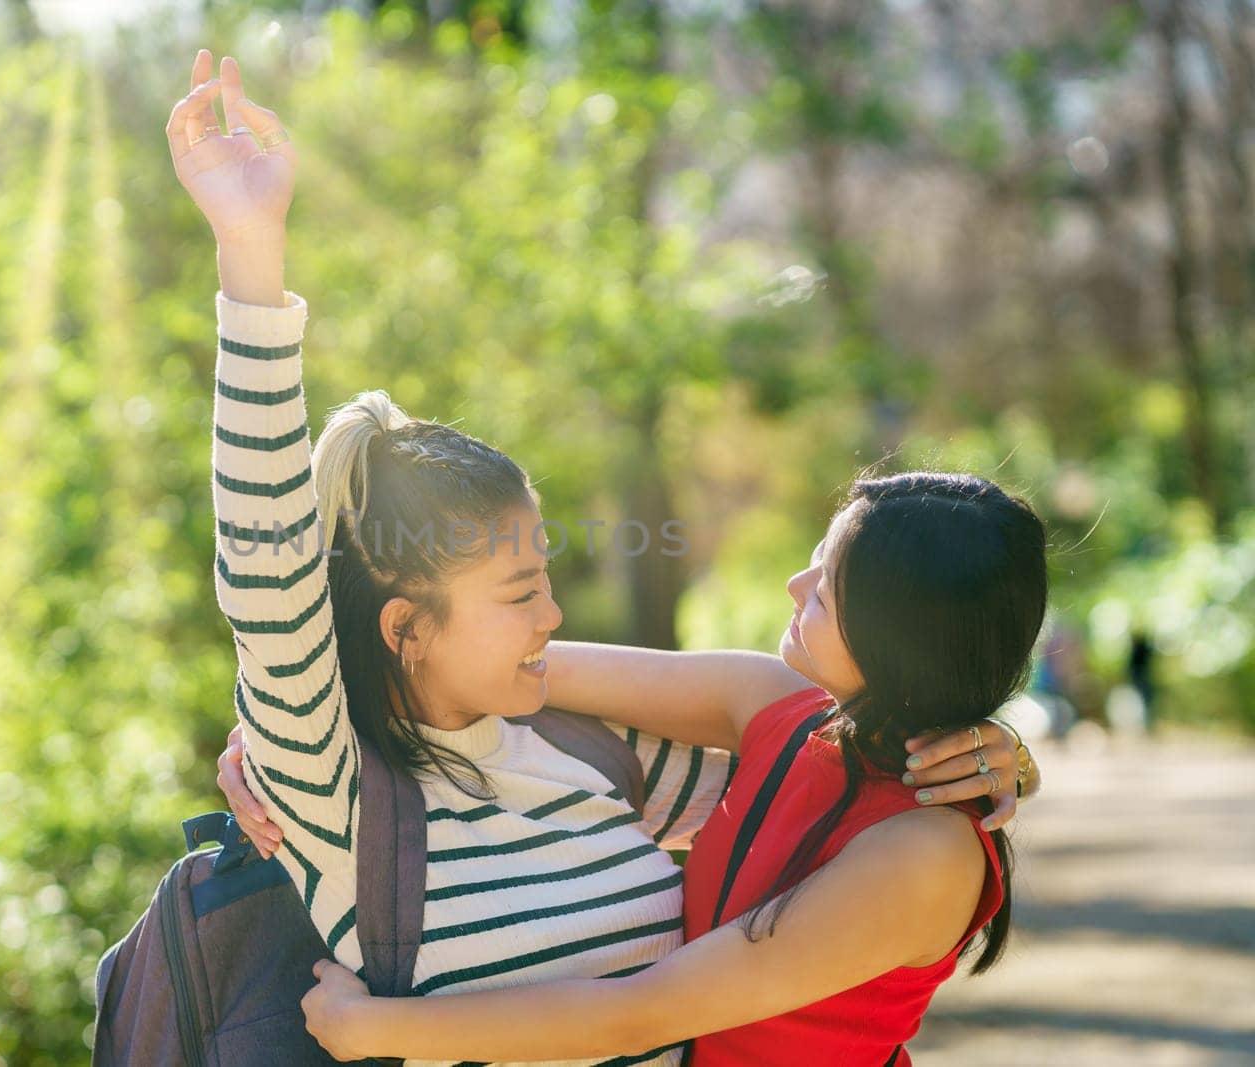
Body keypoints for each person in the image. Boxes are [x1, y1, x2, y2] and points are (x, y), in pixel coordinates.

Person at [169, 50, 1036, 1067]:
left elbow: (825, 813)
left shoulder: (596, 751)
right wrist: (248, 249)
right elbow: (269, 561)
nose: (552, 616)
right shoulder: (335, 787)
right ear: (406, 628)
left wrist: (993, 746)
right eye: (519, 588)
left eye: (548, 575)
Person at [297, 473, 1048, 1065]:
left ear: (899, 634)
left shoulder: (925, 853)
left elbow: (642, 1012)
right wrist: (315, 725)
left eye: (825, 587)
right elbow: (496, 664)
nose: (794, 585)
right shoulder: (776, 704)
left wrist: (372, 1026)